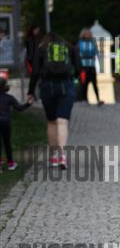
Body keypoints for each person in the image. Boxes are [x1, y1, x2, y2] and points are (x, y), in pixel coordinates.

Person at [27, 32, 80, 169]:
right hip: (66, 86)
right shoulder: (70, 48)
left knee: (51, 122)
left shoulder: (42, 48)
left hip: (47, 86)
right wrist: (74, 79)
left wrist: (30, 91)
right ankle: (62, 155)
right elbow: (78, 68)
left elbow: (35, 72)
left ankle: (54, 156)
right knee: (62, 121)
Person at [0, 79, 32, 171]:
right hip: (5, 123)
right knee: (7, 143)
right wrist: (28, 104)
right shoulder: (9, 98)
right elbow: (19, 108)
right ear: (5, 87)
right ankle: (10, 164)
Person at [77, 28, 103, 105]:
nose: (89, 35)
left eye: (90, 33)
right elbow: (80, 52)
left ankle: (98, 99)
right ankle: (84, 100)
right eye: (87, 33)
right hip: (83, 67)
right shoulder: (80, 42)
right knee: (84, 83)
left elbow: (96, 52)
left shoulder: (93, 42)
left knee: (94, 83)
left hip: (91, 66)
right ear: (83, 34)